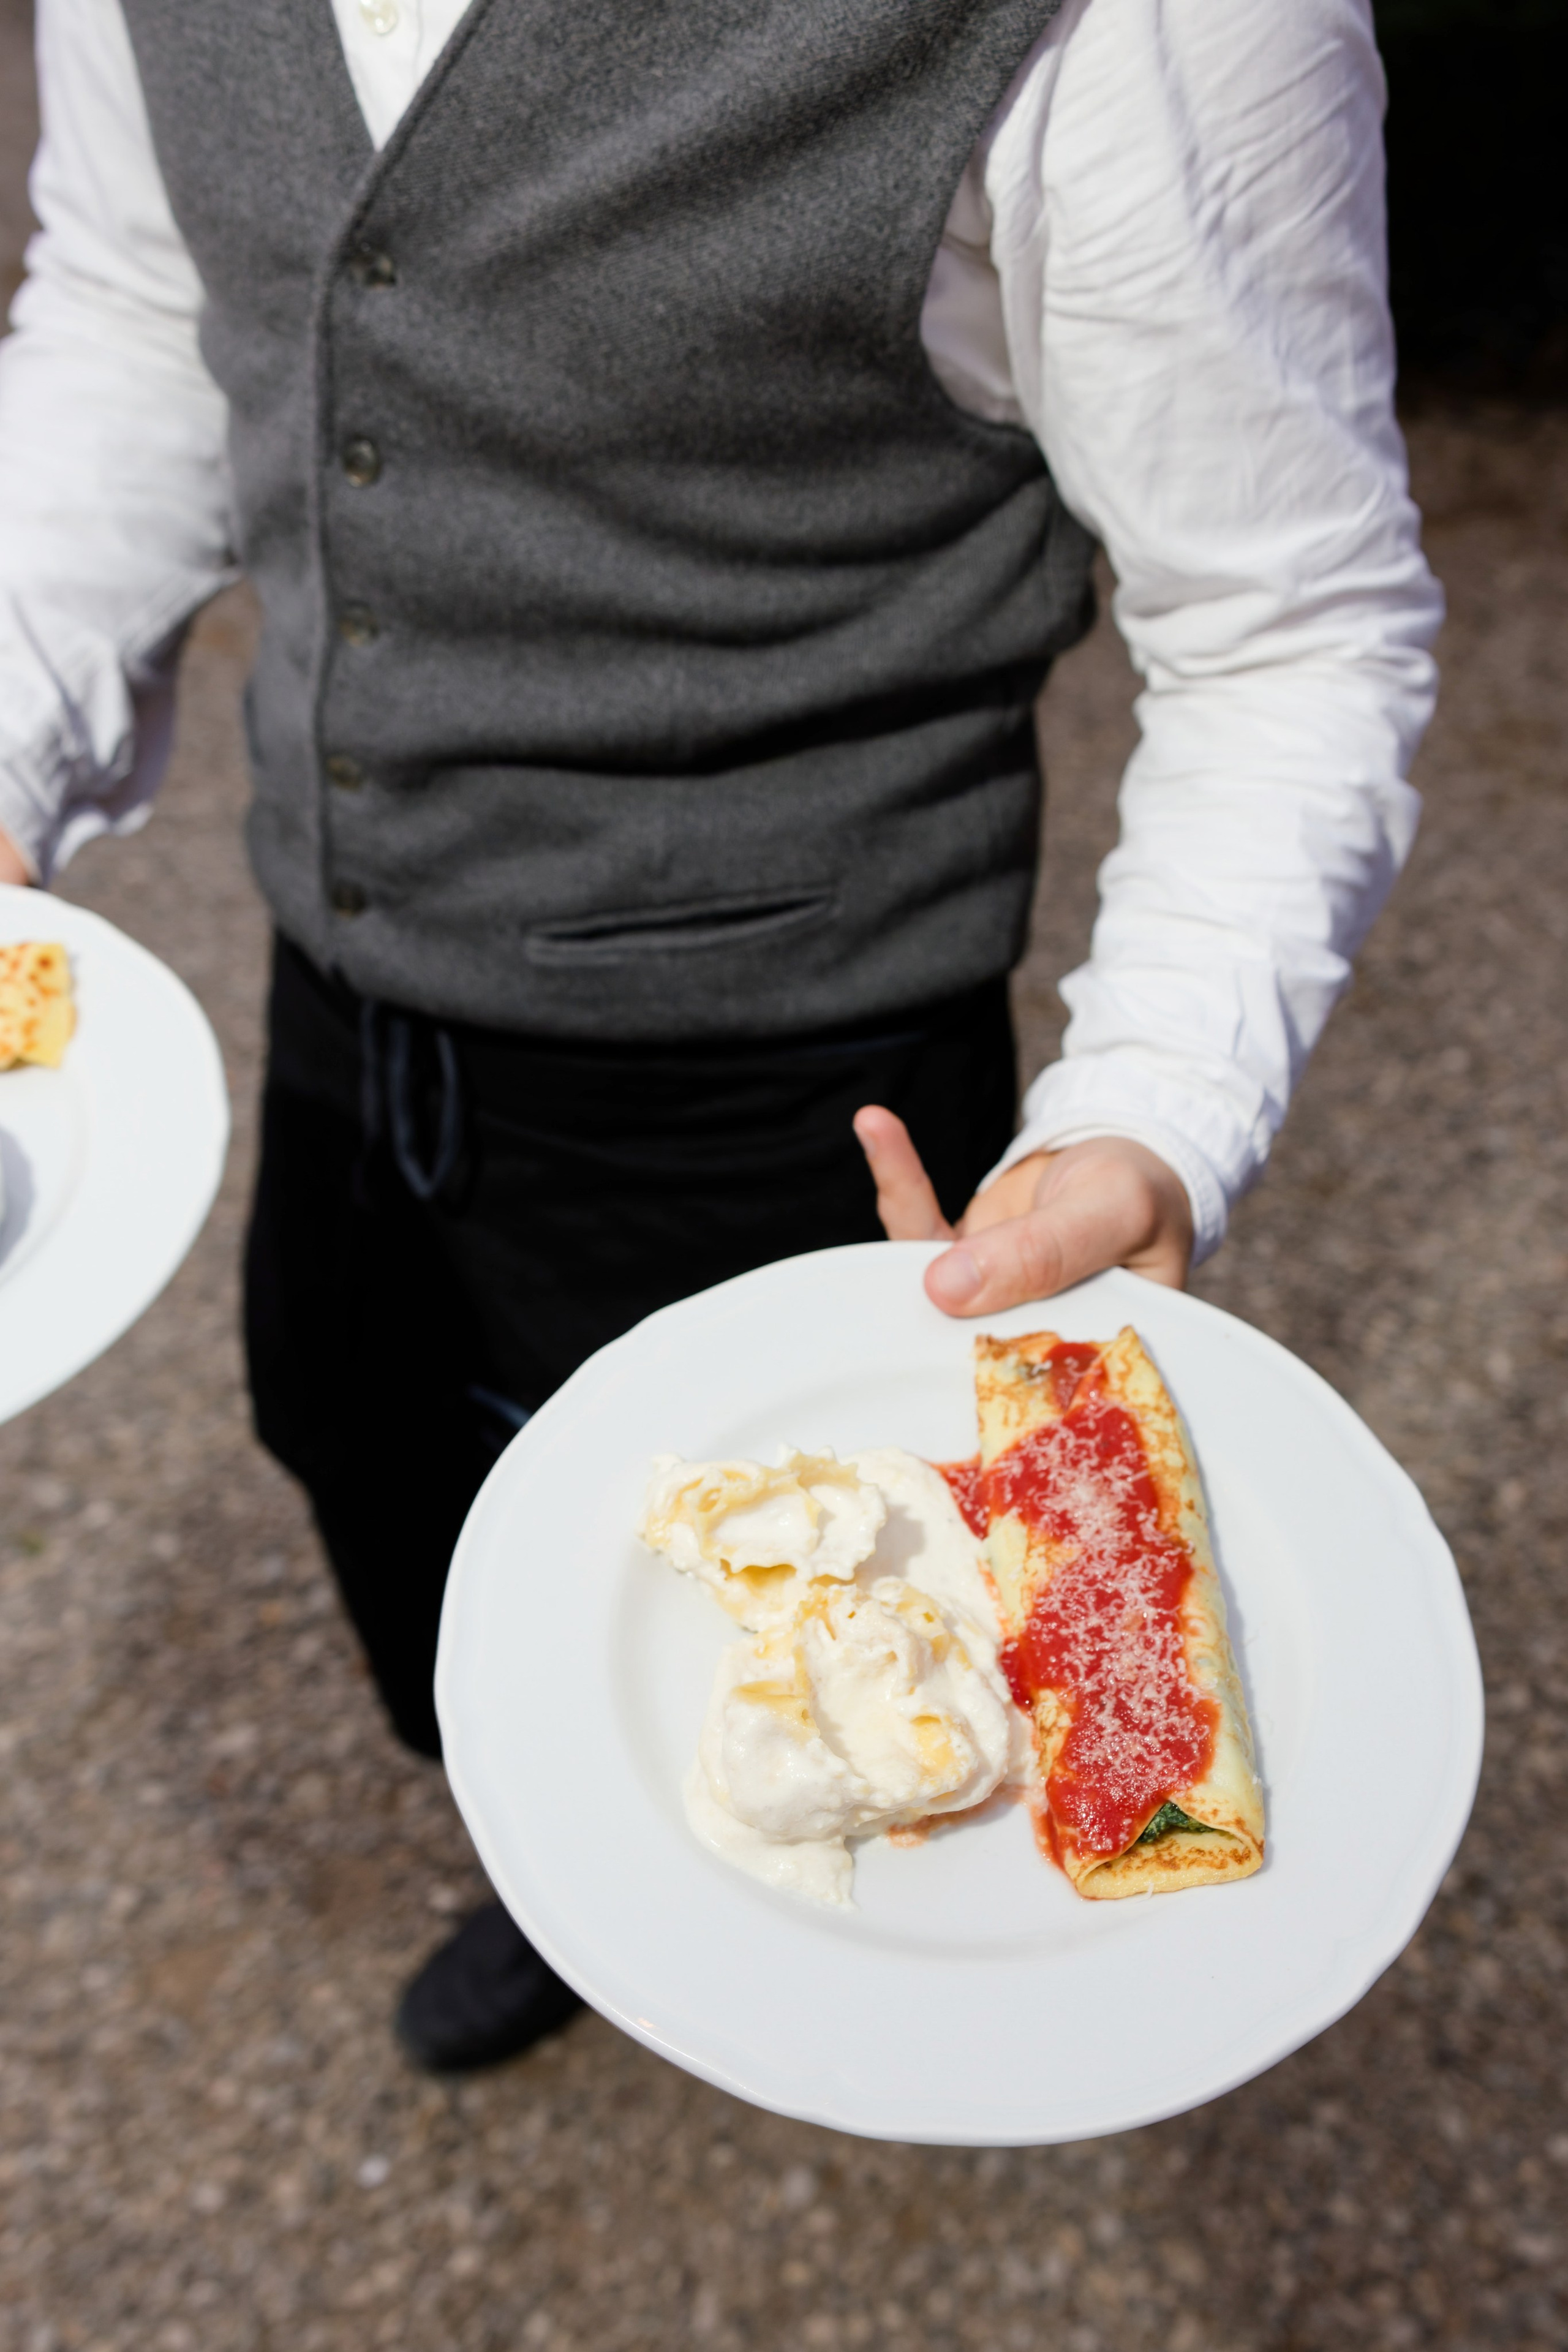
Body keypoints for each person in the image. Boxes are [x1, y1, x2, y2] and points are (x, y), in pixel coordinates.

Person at [0, 0, 1441, 2068]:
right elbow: (147, 301)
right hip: (335, 960)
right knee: (357, 1441)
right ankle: (541, 1854)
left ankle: (700, 1938)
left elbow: (1289, 611)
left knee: (803, 1648)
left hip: (793, 1068)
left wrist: (1155, 1101)